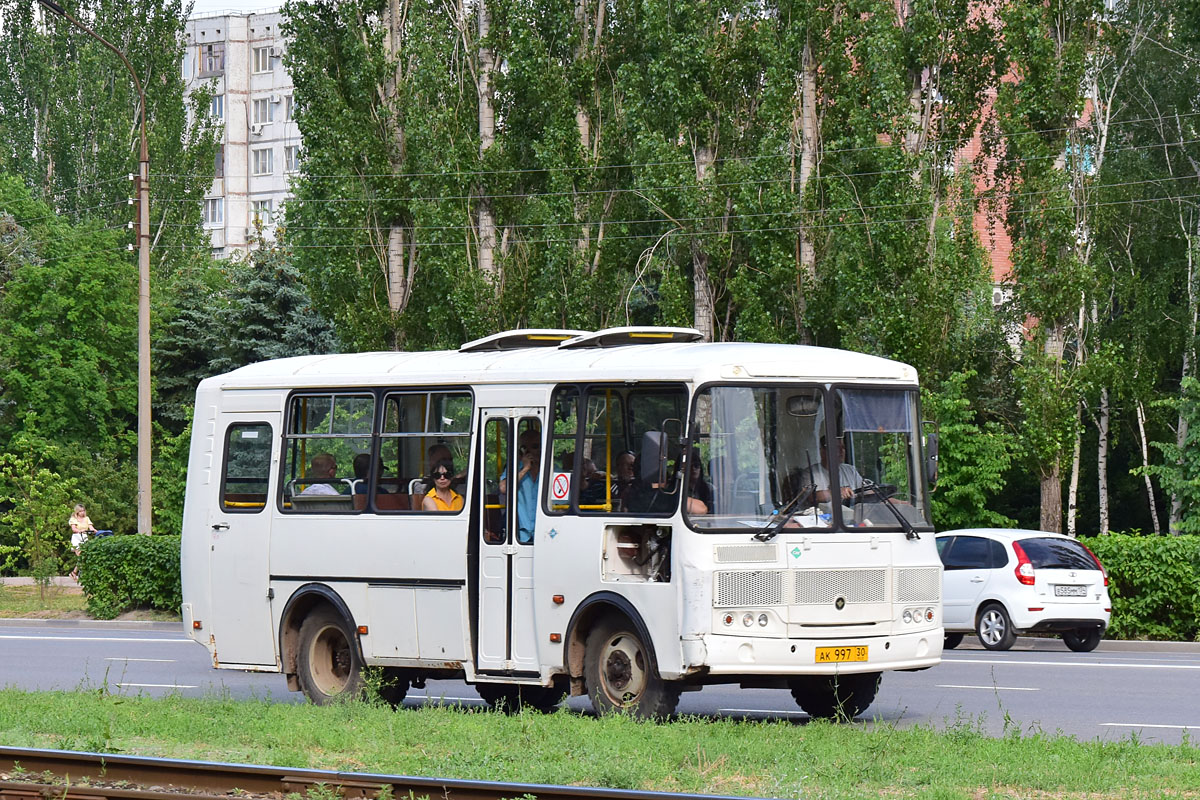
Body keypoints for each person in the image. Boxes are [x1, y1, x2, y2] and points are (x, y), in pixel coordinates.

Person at [805, 436, 863, 504]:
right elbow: (811, 497)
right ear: (822, 452)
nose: (842, 451)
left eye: (843, 447)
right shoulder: (810, 473)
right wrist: (836, 492)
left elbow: (865, 489)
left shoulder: (850, 470)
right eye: (837, 448)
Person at [516, 428, 540, 543]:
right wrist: (525, 469)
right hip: (520, 534)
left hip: (546, 531)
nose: (528, 451)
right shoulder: (516, 468)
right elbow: (504, 488)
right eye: (524, 447)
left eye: (534, 447)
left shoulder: (554, 470)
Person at [67, 504, 96, 581]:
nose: (82, 512)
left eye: (83, 511)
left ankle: (74, 572)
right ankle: (80, 573)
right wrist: (80, 531)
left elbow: (91, 527)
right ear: (77, 512)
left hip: (84, 537)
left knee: (84, 556)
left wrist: (96, 532)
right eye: (80, 511)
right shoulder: (73, 519)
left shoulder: (86, 519)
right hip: (77, 538)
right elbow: (74, 529)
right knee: (81, 556)